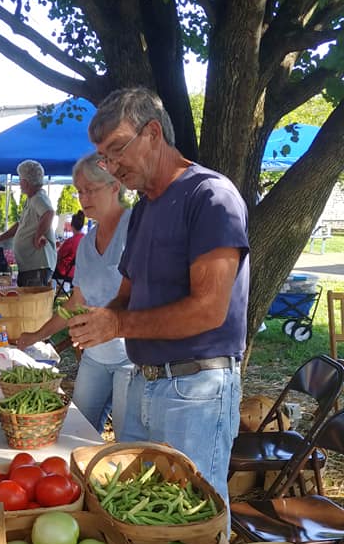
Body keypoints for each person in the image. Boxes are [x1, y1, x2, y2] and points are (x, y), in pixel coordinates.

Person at [68, 87, 248, 506]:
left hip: (195, 387)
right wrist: (99, 319)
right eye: (104, 158)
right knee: (143, 508)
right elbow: (127, 294)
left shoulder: (210, 196)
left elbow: (209, 310)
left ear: (152, 133)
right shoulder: (147, 206)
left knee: (195, 514)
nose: (112, 167)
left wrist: (117, 324)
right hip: (145, 382)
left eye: (117, 151)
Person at [18, 155, 133, 436]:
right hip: (95, 355)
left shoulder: (135, 229)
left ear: (115, 185)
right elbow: (75, 302)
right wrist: (35, 336)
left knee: (127, 438)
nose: (83, 198)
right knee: (76, 432)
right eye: (79, 191)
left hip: (132, 358)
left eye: (90, 189)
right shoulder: (86, 243)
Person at [0, 159, 56, 286]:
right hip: (30, 266)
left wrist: (37, 237)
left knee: (32, 304)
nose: (19, 184)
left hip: (37, 266)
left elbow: (49, 213)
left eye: (20, 180)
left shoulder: (38, 197)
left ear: (25, 182)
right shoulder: (31, 199)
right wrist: (0, 238)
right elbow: (20, 224)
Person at [54, 209, 86, 281]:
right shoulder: (86, 240)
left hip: (67, 272)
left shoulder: (70, 241)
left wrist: (58, 247)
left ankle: (49, 290)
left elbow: (59, 255)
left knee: (49, 268)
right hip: (80, 273)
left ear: (71, 225)